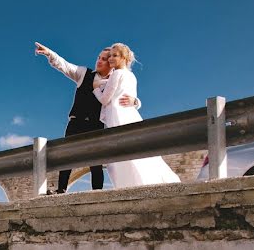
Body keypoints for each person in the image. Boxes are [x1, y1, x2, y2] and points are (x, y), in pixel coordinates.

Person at [34, 42, 140, 193]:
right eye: (99, 57)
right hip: (76, 122)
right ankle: (61, 190)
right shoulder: (84, 73)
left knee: (95, 162)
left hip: (96, 125)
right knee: (67, 157)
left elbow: (126, 97)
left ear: (111, 63)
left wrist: (135, 101)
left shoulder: (114, 79)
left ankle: (97, 193)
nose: (99, 61)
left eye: (104, 59)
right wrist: (49, 53)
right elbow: (64, 65)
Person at [92, 42, 180, 187]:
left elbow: (105, 99)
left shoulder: (117, 74)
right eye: (110, 56)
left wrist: (96, 89)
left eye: (115, 55)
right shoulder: (131, 75)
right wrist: (135, 102)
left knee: (120, 153)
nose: (110, 59)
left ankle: (130, 185)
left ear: (124, 58)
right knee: (138, 149)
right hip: (130, 115)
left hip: (117, 115)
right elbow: (132, 97)